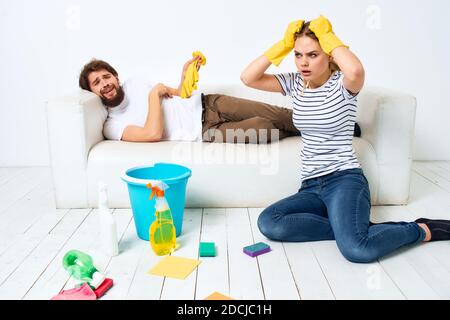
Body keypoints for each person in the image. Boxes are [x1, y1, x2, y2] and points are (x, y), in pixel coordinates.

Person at [241, 15, 450, 263]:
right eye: (298, 55)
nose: (303, 62)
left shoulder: (343, 84)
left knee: (357, 250)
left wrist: (329, 38)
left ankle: (421, 230)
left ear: (329, 54)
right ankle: (350, 230)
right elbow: (248, 78)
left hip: (344, 181)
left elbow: (356, 69)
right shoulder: (297, 84)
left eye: (313, 54)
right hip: (310, 186)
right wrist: (284, 44)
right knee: (269, 222)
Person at [78, 57, 304, 144]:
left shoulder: (135, 83)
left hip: (209, 103)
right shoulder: (111, 126)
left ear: (116, 77)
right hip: (204, 132)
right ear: (91, 92)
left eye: (106, 76)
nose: (104, 83)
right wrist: (153, 95)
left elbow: (178, 93)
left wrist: (185, 78)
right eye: (97, 82)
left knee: (280, 116)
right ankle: (313, 130)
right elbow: (152, 134)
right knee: (263, 128)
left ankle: (329, 126)